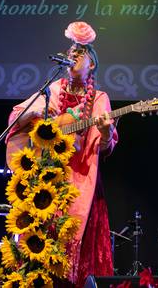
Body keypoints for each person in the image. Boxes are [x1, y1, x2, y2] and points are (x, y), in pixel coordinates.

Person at [6, 21, 118, 286]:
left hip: (79, 185)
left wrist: (104, 133)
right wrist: (34, 113)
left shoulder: (99, 99)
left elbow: (105, 147)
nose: (73, 55)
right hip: (46, 185)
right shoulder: (53, 90)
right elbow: (16, 117)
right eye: (71, 52)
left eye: (80, 53)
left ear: (92, 64)